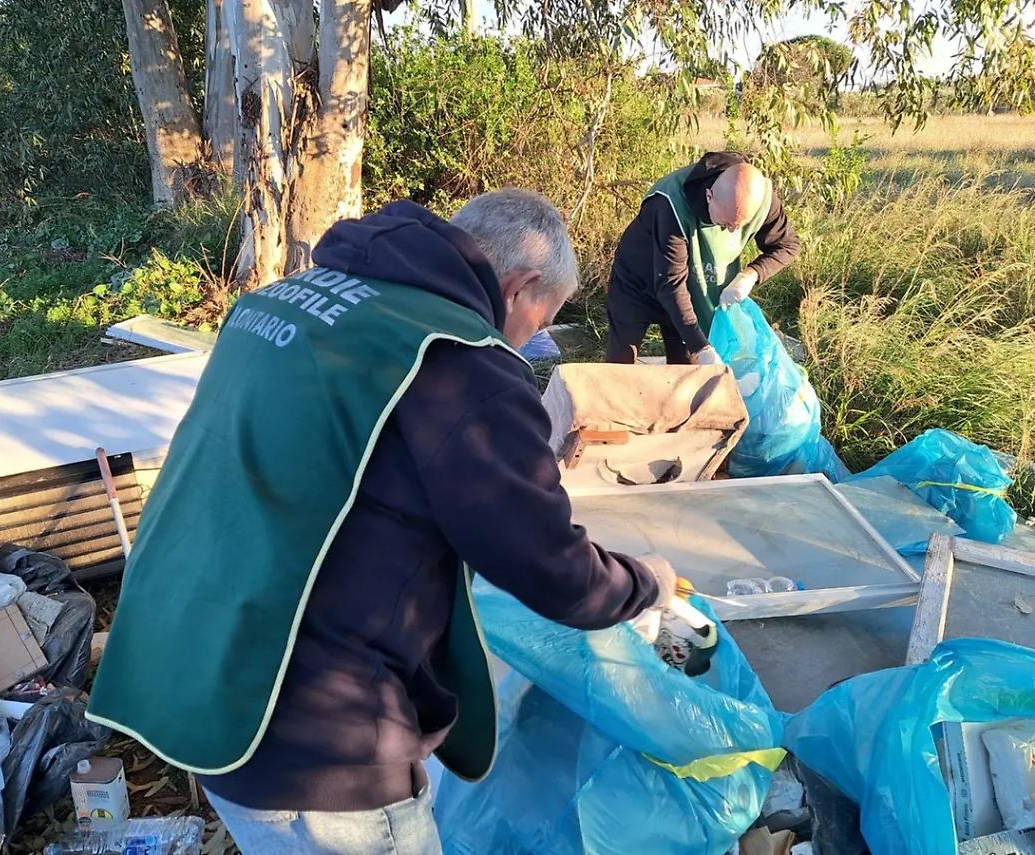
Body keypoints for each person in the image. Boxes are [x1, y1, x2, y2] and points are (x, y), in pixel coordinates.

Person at [86, 189, 679, 854]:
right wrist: (647, 581)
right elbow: (553, 570)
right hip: (317, 757)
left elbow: (348, 503)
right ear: (521, 286)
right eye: (544, 318)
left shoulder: (288, 301)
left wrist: (419, 698)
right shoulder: (461, 363)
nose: (525, 339)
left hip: (197, 685)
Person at [605, 151, 801, 365]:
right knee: (621, 365)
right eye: (726, 223)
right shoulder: (670, 203)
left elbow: (787, 245)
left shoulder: (760, 197)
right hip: (638, 285)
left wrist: (750, 275)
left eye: (740, 225)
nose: (732, 231)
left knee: (687, 374)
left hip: (692, 291)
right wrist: (701, 347)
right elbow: (671, 285)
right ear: (709, 196)